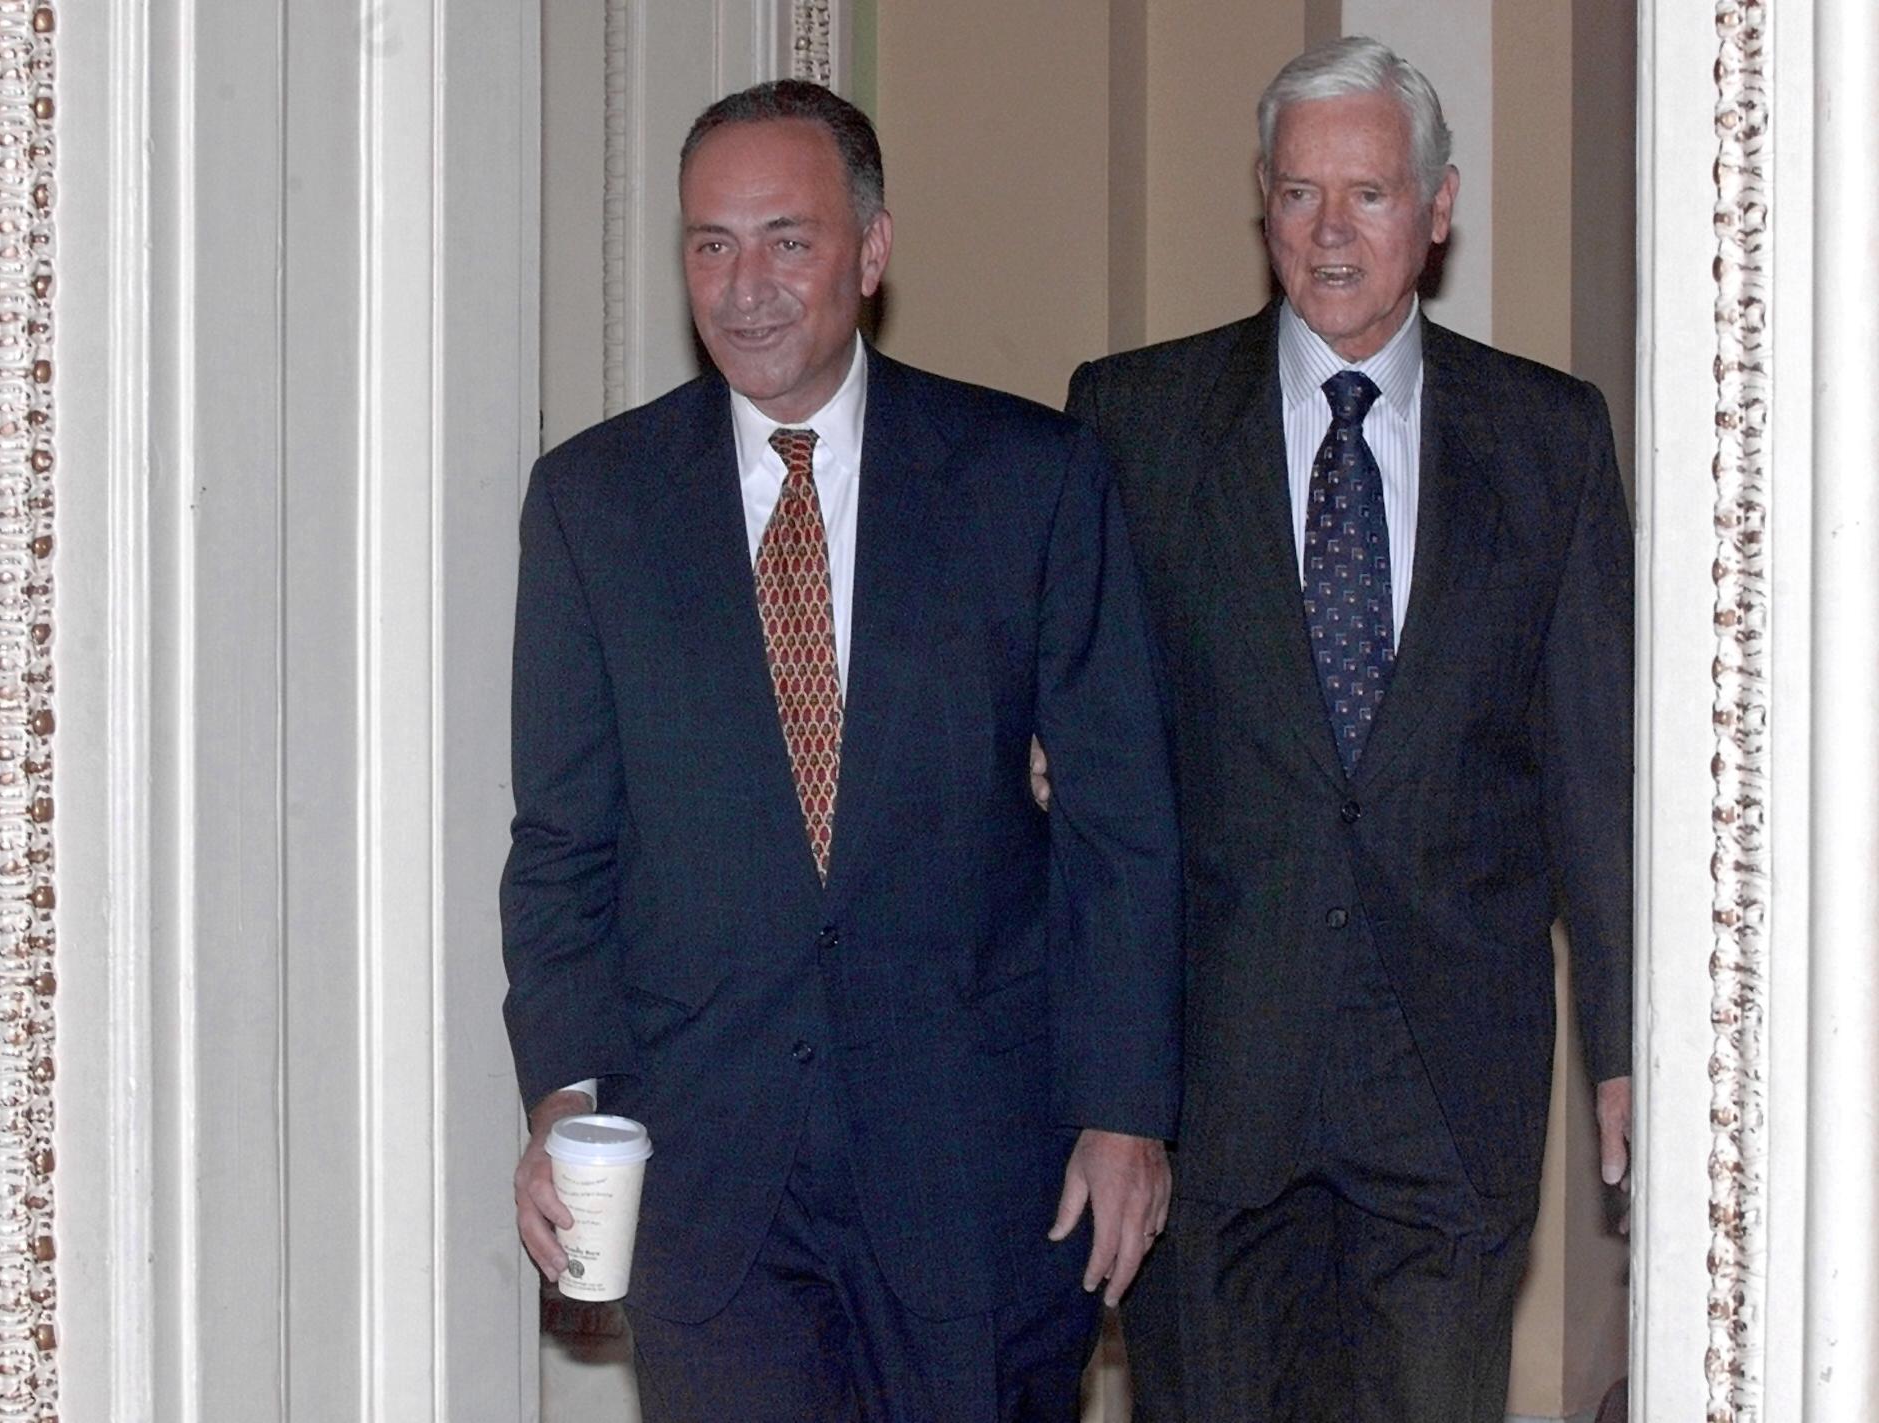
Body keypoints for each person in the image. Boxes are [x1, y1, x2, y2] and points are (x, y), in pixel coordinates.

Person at [500, 79, 1182, 1422]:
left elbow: (1121, 822)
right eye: (711, 243)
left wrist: (1127, 1111)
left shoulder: (1030, 480)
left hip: (981, 1180)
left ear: (870, 251)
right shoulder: (593, 506)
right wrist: (560, 1104)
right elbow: (564, 844)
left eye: (786, 239)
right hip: (712, 1184)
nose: (744, 286)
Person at [1061, 36, 1634, 1421]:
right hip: (1213, 1089)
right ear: (1262, 204)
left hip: (1450, 1083)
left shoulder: (1549, 441)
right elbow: (1102, 791)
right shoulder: (1133, 423)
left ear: (1437, 210)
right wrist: (1110, 1094)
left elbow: (1599, 782)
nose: (1331, 231)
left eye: (1368, 195)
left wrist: (1630, 1048)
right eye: (1300, 193)